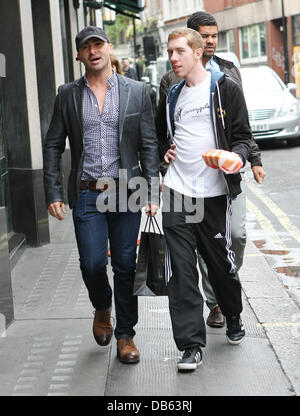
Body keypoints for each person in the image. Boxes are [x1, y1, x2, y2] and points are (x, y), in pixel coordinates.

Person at [43, 26, 159, 365]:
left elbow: (148, 143)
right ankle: (101, 305)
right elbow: (53, 145)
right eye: (85, 47)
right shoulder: (67, 94)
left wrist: (151, 188)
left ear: (108, 48)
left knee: (125, 265)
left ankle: (126, 335)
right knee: (93, 263)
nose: (93, 50)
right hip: (88, 193)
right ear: (79, 56)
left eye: (98, 44)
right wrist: (52, 190)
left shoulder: (137, 91)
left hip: (127, 192)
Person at [156, 11, 266, 328]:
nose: (211, 41)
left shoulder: (228, 74)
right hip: (182, 185)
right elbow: (161, 132)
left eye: (215, 35)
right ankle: (212, 308)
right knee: (186, 258)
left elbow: (240, 127)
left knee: (235, 238)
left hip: (225, 179)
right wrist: (165, 154)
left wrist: (251, 159)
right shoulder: (171, 84)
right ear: (192, 40)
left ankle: (224, 289)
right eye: (205, 36)